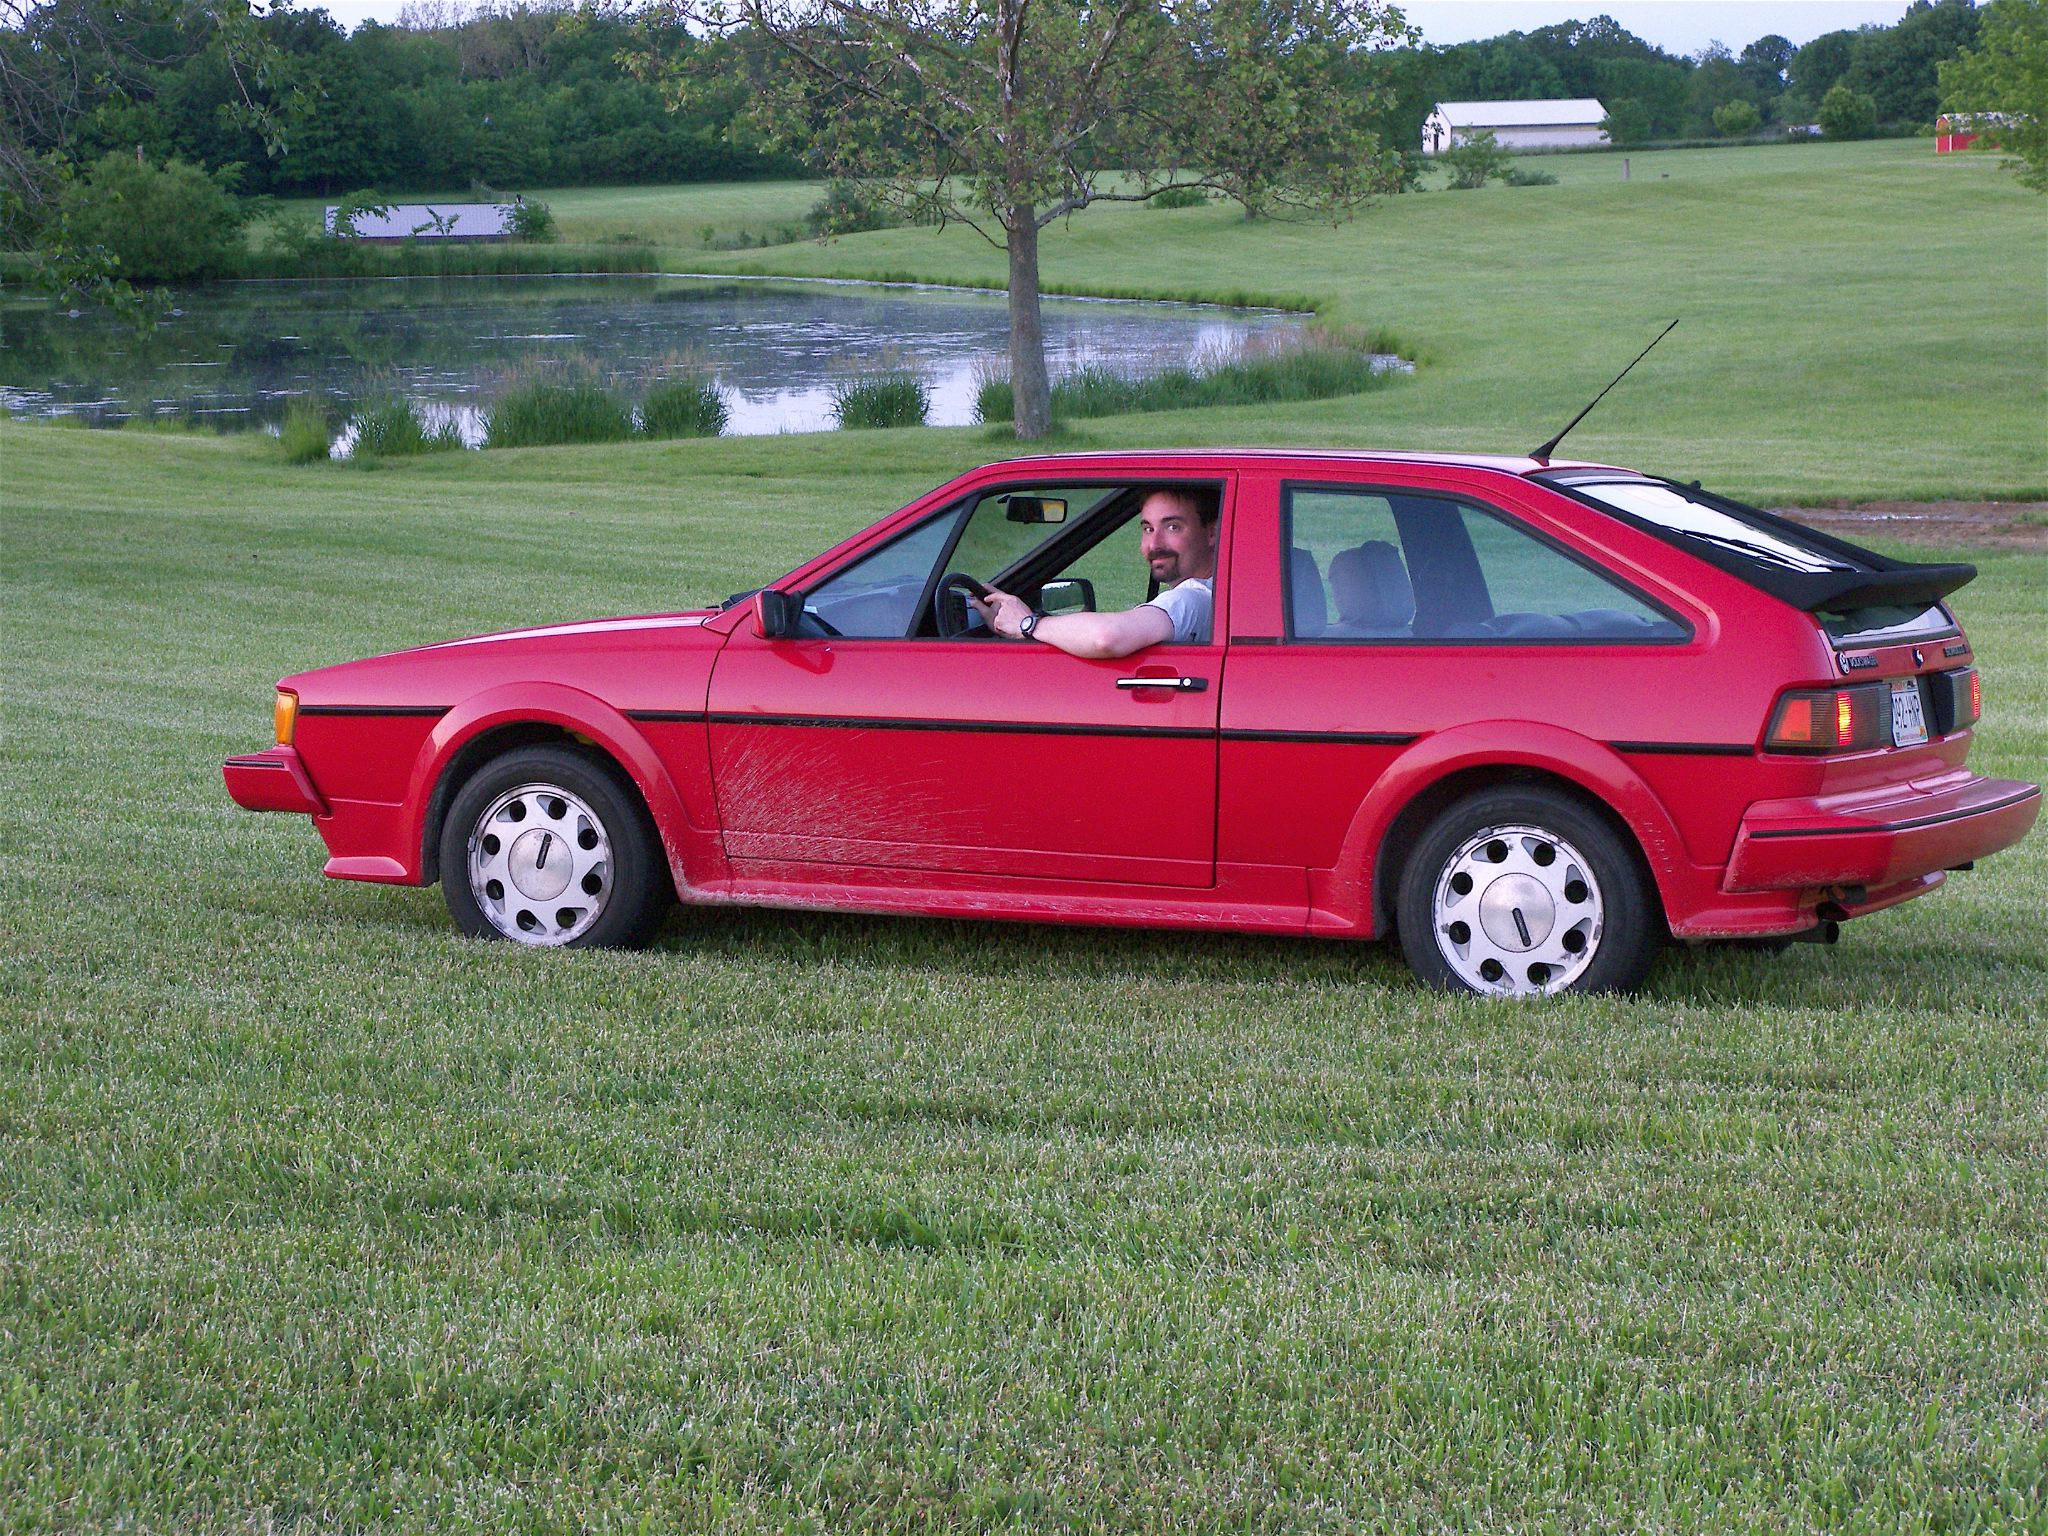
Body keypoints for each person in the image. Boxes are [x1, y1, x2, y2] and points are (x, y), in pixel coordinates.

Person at [969, 487, 1217, 658]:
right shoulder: (1216, 595)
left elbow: (1107, 637)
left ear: (1212, 533)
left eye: (1173, 527)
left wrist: (1027, 624)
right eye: (1148, 529)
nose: (1154, 545)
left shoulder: (1192, 598)